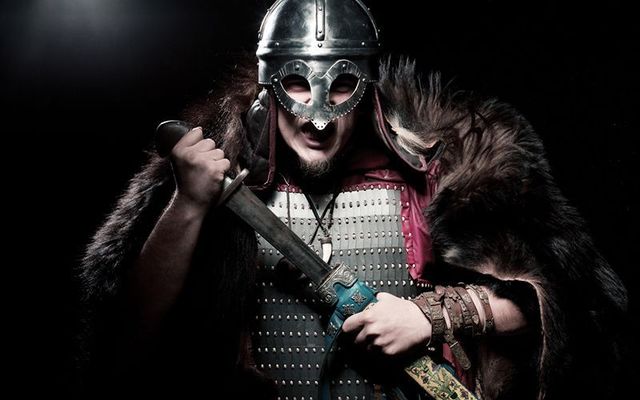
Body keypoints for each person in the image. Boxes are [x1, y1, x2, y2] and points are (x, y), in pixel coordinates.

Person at [77, 0, 627, 399]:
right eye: (296, 84)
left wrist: (432, 317)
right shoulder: (217, 176)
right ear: (269, 85)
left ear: (366, 85)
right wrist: (190, 203)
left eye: (341, 88)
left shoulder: (441, 172)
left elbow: (564, 306)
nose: (318, 117)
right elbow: (130, 337)